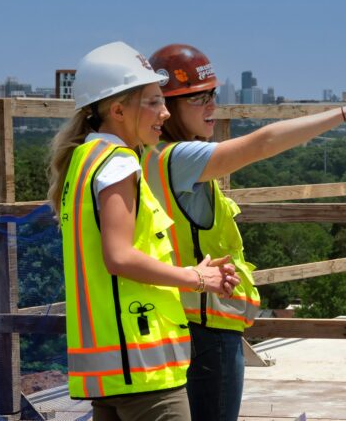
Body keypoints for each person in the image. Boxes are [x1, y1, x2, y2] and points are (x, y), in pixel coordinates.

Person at [142, 43, 346, 421]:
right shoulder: (178, 159)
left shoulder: (144, 157)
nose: (212, 105)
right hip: (206, 328)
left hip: (180, 322)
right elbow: (262, 143)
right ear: (169, 108)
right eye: (199, 98)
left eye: (214, 94)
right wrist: (342, 114)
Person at [47, 41, 240, 420]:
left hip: (113, 370)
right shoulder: (119, 164)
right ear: (117, 110)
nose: (165, 113)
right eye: (152, 101)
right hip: (143, 367)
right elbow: (119, 257)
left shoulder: (85, 160)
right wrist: (194, 277)